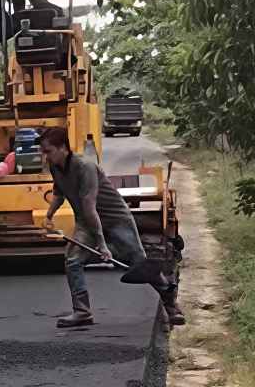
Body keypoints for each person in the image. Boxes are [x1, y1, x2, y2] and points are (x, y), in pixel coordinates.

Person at [40, 128, 185, 329]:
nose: (45, 156)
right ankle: (82, 312)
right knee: (73, 261)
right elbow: (59, 193)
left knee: (138, 262)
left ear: (63, 147)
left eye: (48, 151)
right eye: (43, 152)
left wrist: (102, 245)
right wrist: (49, 215)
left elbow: (90, 207)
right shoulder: (55, 167)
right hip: (86, 222)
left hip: (116, 219)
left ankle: (171, 306)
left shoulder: (85, 167)